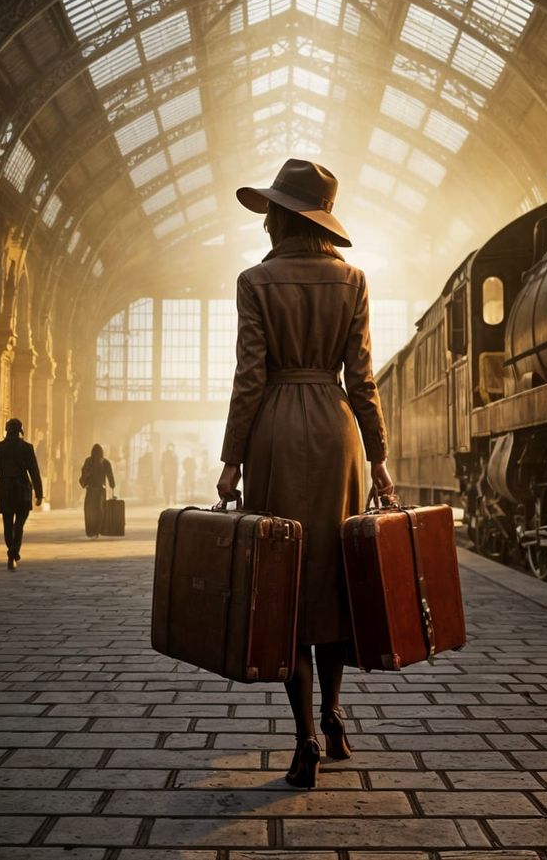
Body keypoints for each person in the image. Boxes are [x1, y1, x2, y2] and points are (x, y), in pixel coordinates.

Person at [217, 158, 393, 789]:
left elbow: (250, 377)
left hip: (275, 434)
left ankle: (304, 741)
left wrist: (231, 459)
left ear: (281, 218)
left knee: (285, 581)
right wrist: (378, 457)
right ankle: (336, 715)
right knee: (334, 579)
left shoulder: (254, 281)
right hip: (338, 432)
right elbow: (362, 379)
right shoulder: (353, 280)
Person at [0, 418, 43, 571]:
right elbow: (34, 471)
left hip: (4, 490)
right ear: (20, 431)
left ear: (7, 430)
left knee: (7, 524)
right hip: (22, 489)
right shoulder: (27, 448)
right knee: (19, 525)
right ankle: (13, 553)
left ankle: (12, 554)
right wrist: (39, 494)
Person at [80, 444, 115, 539]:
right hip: (101, 491)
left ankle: (90, 531)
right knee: (99, 511)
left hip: (90, 490)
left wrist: (84, 481)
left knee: (89, 511)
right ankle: (97, 530)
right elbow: (110, 476)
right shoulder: (105, 462)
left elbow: (83, 473)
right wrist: (112, 485)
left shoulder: (88, 461)